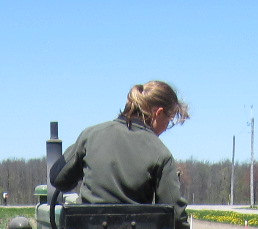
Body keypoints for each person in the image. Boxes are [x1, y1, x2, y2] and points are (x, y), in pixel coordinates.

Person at [52, 81, 189, 211]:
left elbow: (58, 179)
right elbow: (174, 214)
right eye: (169, 121)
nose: (166, 128)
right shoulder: (161, 152)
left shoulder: (91, 135)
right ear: (158, 113)